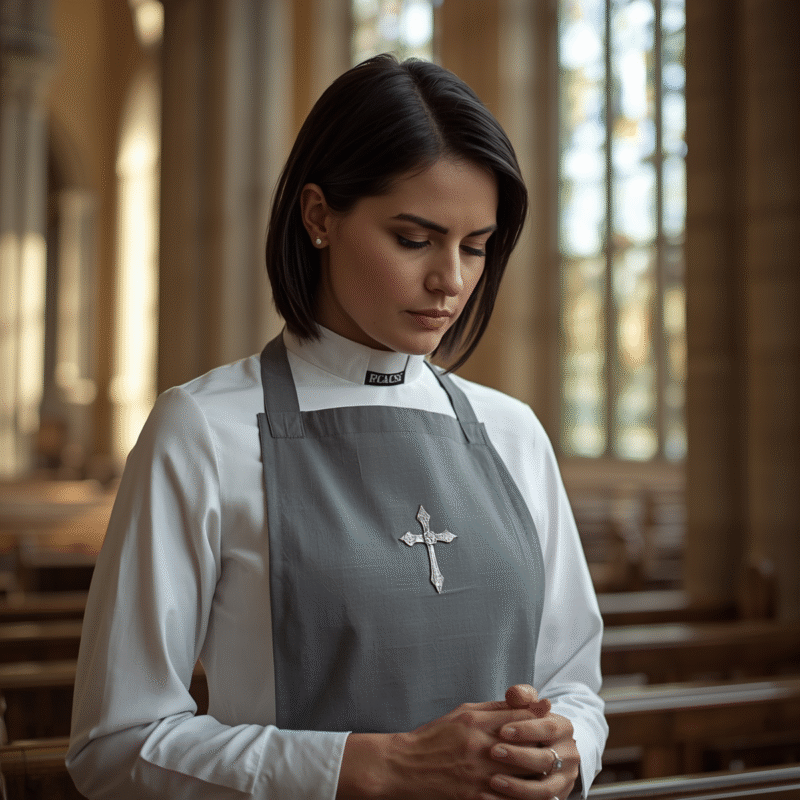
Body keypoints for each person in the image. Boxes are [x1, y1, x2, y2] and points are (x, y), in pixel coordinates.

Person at [67, 54, 607, 799]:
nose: (451, 279)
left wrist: (565, 747)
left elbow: (575, 687)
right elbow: (116, 745)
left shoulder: (512, 432)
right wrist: (377, 767)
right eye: (415, 239)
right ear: (319, 216)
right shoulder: (201, 431)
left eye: (476, 246)